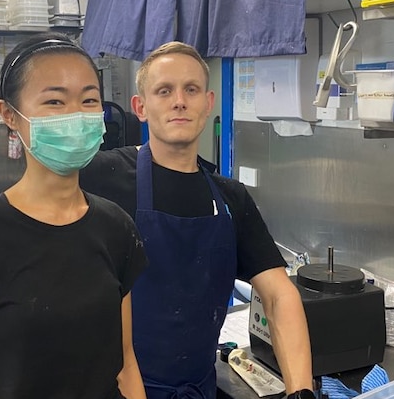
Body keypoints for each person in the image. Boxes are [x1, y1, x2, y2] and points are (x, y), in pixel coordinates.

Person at [81, 42, 314, 399]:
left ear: (208, 103)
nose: (179, 101)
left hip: (197, 389)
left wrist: (301, 391)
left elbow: (279, 295)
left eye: (191, 89)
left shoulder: (229, 198)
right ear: (140, 107)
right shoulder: (99, 177)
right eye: (164, 90)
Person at [0, 33, 148, 399]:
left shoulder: (116, 227)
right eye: (55, 101)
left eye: (89, 100)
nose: (76, 115)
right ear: (9, 114)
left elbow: (124, 363)